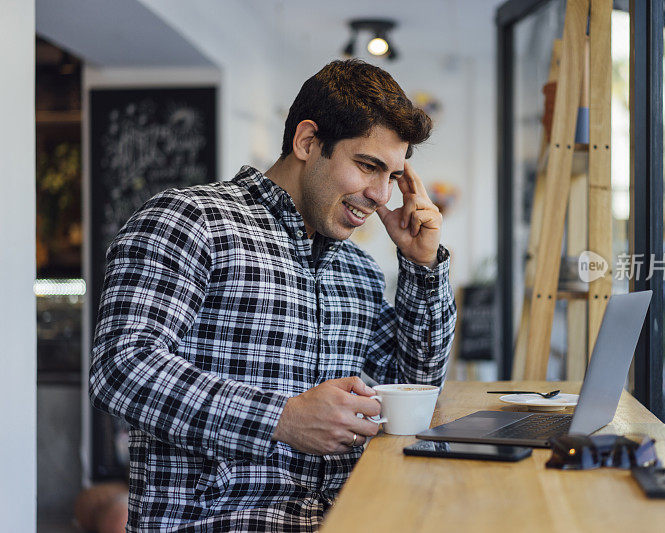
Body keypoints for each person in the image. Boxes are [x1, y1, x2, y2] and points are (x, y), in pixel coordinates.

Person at [89, 59, 457, 532]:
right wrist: (281, 419)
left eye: (392, 175)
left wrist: (423, 267)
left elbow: (416, 386)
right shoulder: (189, 221)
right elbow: (120, 368)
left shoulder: (358, 270)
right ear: (307, 141)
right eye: (368, 166)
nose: (382, 195)